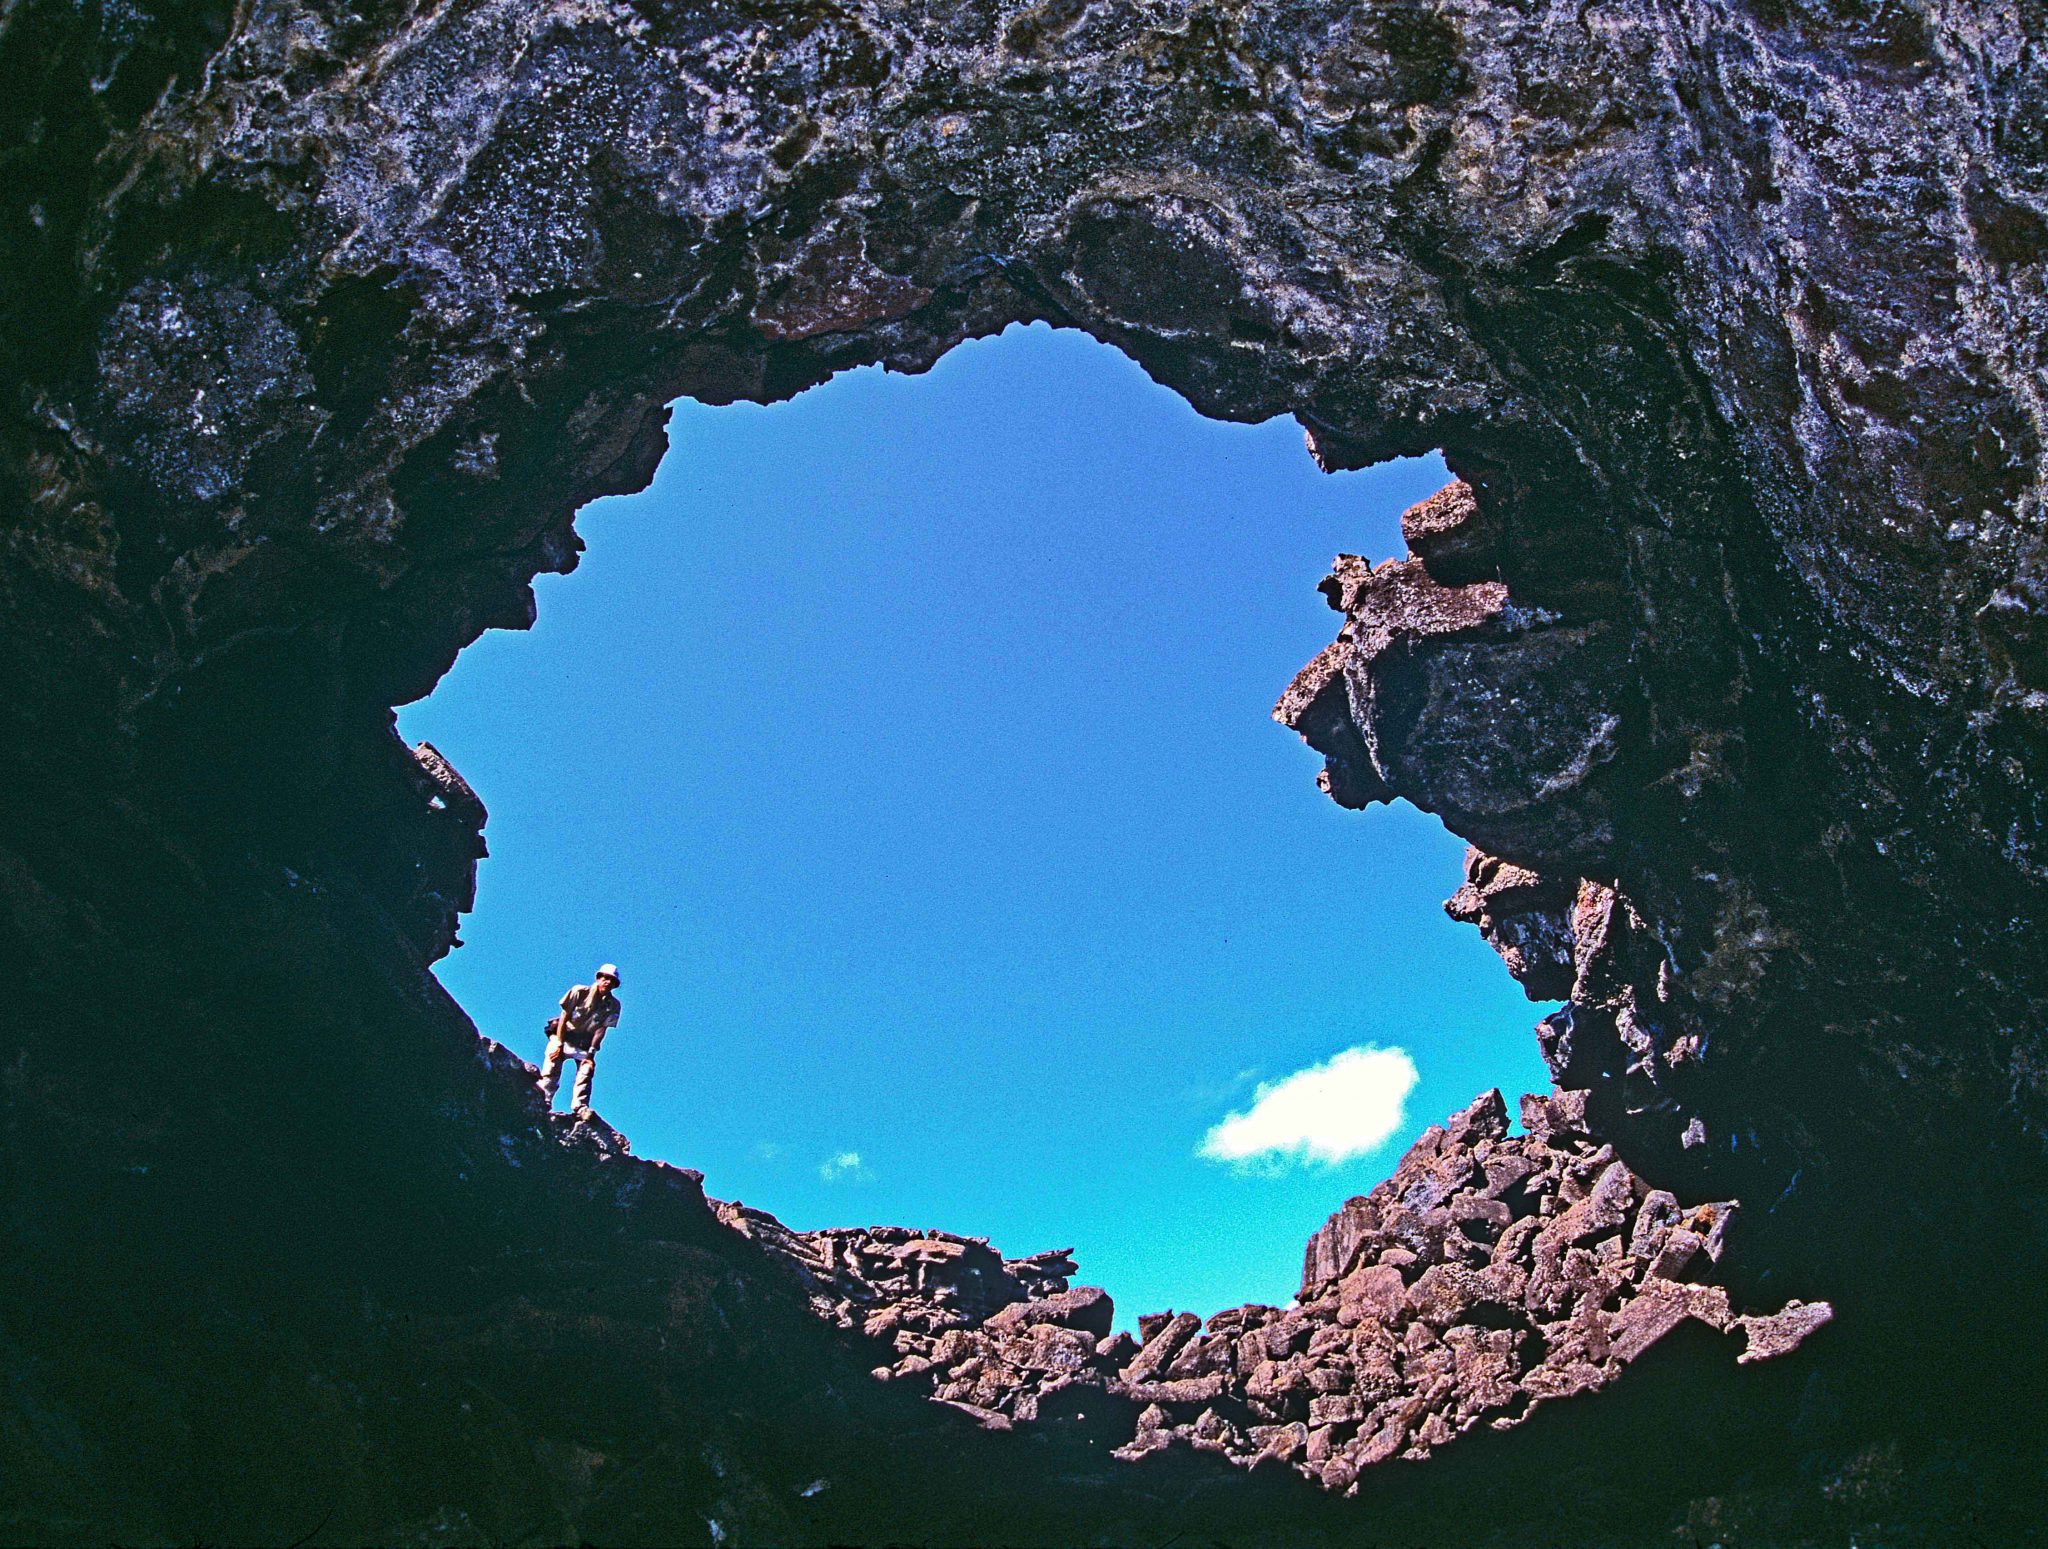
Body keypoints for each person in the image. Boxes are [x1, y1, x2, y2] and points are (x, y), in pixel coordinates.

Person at [539, 963, 621, 1116]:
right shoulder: (579, 992)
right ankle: (544, 1098)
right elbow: (564, 1017)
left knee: (586, 1071)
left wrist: (591, 1056)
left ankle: (580, 1107)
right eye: (605, 978)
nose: (608, 982)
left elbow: (601, 1030)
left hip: (584, 1043)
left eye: (612, 981)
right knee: (552, 1065)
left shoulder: (613, 1006)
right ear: (598, 978)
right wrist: (558, 1043)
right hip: (564, 1035)